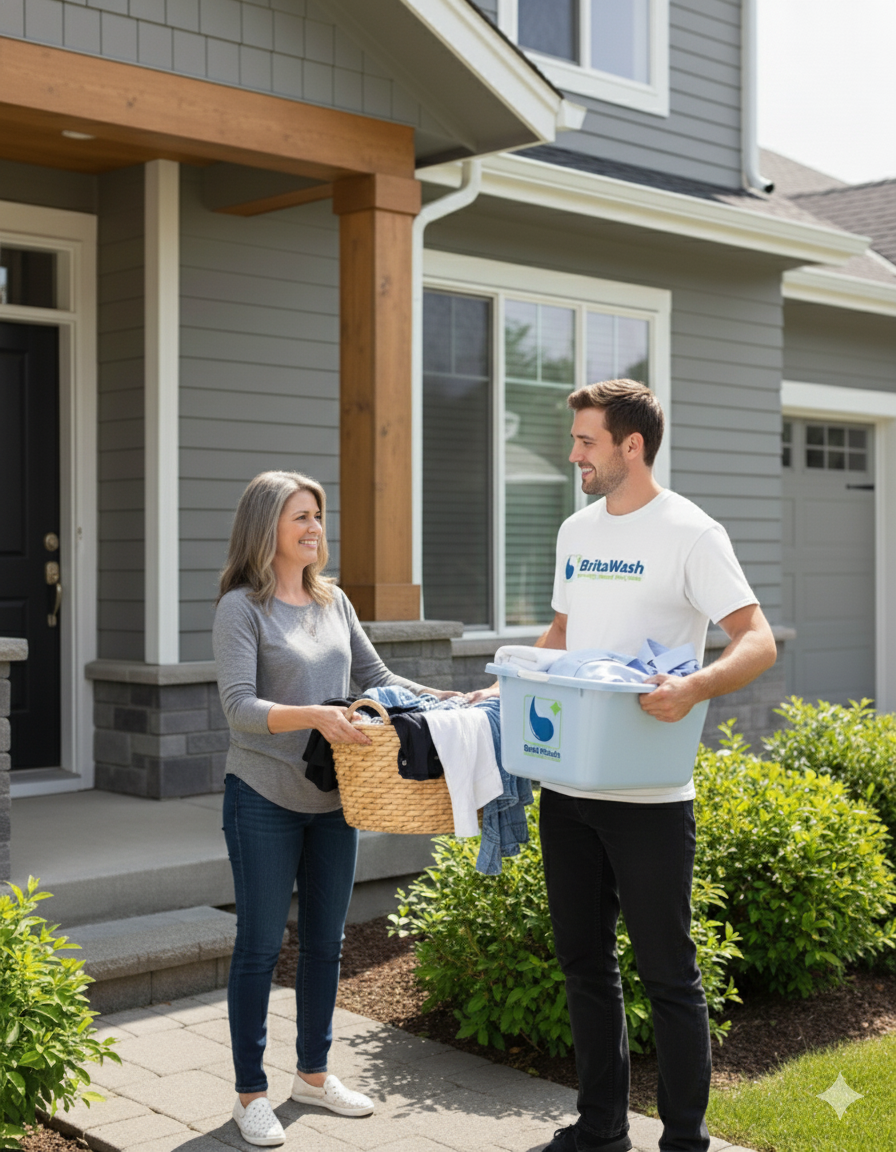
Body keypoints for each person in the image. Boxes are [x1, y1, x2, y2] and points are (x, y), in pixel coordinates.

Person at [477, 380, 777, 1152]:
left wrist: (695, 687)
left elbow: (757, 639)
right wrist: (503, 689)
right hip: (567, 785)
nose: (572, 454)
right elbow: (563, 632)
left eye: (586, 441)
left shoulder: (691, 533)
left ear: (631, 445)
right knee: (584, 963)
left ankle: (684, 1142)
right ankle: (601, 1131)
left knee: (668, 973)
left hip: (649, 795)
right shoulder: (576, 531)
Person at [213, 469, 454, 1147]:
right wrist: (315, 715)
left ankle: (313, 1077)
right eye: (301, 517)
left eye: (318, 516)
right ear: (266, 527)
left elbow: (378, 679)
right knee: (260, 946)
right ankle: (250, 1094)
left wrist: (444, 699)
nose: (316, 528)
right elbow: (239, 708)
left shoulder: (333, 601)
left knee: (326, 943)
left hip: (333, 798)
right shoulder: (242, 608)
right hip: (262, 796)